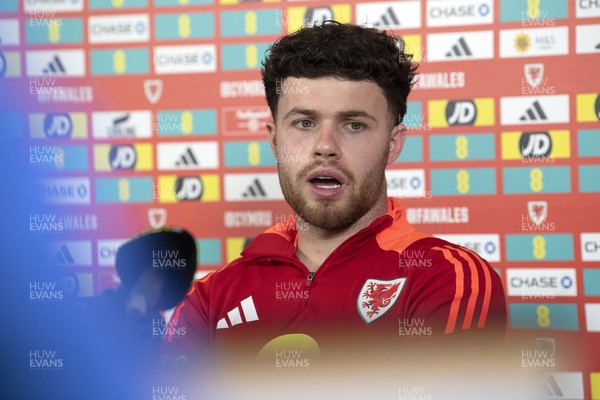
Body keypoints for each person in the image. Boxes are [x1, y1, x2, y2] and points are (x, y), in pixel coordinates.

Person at [164, 21, 506, 368]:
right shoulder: (210, 298)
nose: (325, 147)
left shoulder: (447, 277)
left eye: (354, 125)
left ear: (393, 144)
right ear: (274, 140)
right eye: (304, 123)